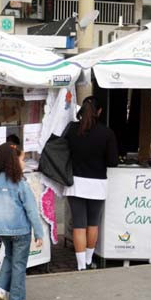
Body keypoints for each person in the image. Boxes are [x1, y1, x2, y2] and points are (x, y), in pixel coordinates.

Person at [0, 143, 44, 300]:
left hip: (0, 230)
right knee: (19, 264)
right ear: (13, 162)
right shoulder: (20, 183)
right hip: (21, 230)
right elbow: (32, 210)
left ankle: (1, 289)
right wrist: (39, 232)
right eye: (21, 159)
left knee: (9, 257)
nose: (23, 163)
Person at [63, 96, 118, 270]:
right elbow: (113, 162)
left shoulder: (72, 129)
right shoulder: (107, 133)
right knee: (92, 223)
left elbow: (62, 151)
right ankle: (88, 260)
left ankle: (81, 266)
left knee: (79, 225)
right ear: (99, 111)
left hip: (75, 183)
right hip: (97, 184)